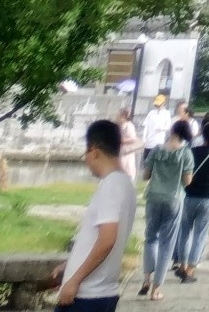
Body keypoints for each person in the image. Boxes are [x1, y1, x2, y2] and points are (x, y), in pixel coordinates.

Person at [53, 119, 136, 312]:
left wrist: (74, 280)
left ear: (94, 150)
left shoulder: (111, 185)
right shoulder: (125, 184)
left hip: (87, 295)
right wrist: (70, 264)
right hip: (102, 292)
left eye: (86, 153)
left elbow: (107, 240)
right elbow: (96, 239)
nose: (86, 160)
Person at [139, 119, 194, 301]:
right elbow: (187, 181)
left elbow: (146, 175)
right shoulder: (186, 153)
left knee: (150, 238)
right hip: (174, 199)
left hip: (153, 197)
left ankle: (146, 279)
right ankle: (156, 289)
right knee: (167, 245)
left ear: (172, 130)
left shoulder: (156, 150)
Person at [173, 118, 209, 283]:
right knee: (200, 235)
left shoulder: (192, 151)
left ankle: (181, 265)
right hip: (208, 197)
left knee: (184, 232)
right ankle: (190, 270)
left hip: (188, 196)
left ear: (202, 135)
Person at [118, 114, 141, 184]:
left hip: (128, 151)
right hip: (122, 150)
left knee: (128, 168)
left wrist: (122, 140)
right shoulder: (122, 125)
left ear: (124, 117)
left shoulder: (129, 126)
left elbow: (133, 139)